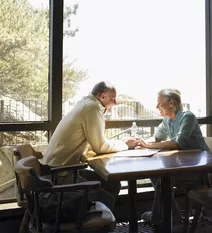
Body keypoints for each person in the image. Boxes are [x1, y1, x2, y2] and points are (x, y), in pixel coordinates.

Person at [42, 81, 139, 210]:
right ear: (102, 96)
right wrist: (126, 144)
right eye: (113, 98)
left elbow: (92, 142)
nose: (115, 102)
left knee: (113, 183)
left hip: (54, 170)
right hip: (60, 175)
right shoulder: (92, 108)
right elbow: (99, 147)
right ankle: (98, 223)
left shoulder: (84, 103)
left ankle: (93, 215)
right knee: (107, 196)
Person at [139, 88, 209, 225]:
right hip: (184, 165)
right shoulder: (167, 120)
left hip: (200, 170)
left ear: (171, 103)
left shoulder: (187, 117)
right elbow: (157, 137)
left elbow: (178, 143)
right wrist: (141, 142)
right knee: (156, 175)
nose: (156, 106)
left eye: (159, 103)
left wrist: (148, 146)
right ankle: (175, 215)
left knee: (163, 179)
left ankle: (157, 216)